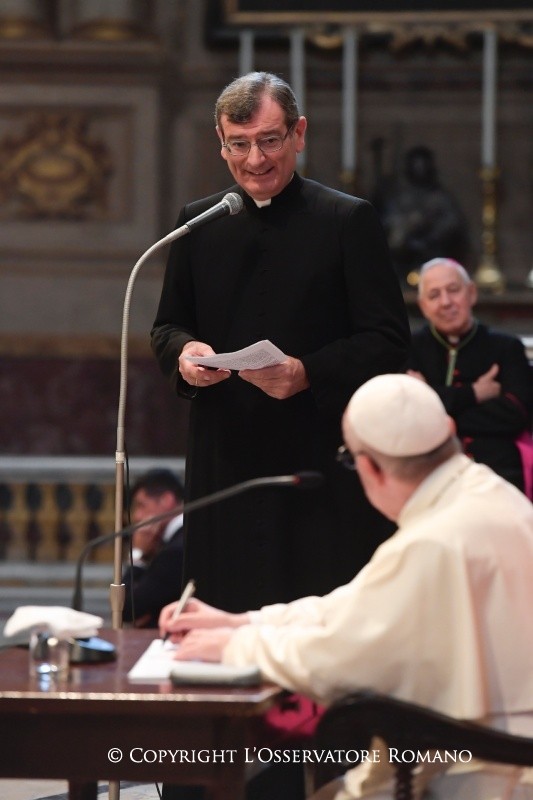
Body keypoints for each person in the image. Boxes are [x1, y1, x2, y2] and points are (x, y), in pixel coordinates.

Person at [160, 373, 533, 800]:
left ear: (370, 467)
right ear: (448, 431)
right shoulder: (487, 493)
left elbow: (334, 658)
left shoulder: (434, 539)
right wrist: (243, 621)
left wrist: (232, 649)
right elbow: (358, 606)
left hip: (479, 776)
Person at [151, 71, 411, 616]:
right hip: (226, 458)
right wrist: (186, 354)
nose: (255, 160)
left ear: (299, 133)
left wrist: (308, 370)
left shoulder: (347, 220)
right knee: (224, 614)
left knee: (318, 610)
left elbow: (388, 340)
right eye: (239, 144)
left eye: (270, 140)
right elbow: (167, 326)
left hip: (318, 459)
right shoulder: (197, 224)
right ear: (220, 144)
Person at [407, 257, 533, 494]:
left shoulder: (505, 347)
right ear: (423, 306)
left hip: (498, 470)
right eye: (434, 295)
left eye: (453, 290)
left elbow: (516, 414)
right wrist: (473, 394)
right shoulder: (411, 348)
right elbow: (411, 413)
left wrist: (439, 409)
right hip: (430, 471)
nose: (446, 302)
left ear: (471, 294)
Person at [376, 146, 470, 284]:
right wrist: (406, 226)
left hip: (431, 247)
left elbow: (452, 222)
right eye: (416, 166)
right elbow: (387, 221)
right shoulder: (400, 196)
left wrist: (429, 236)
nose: (420, 170)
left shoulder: (440, 197)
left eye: (423, 166)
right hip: (405, 251)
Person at [122, 468, 185, 628]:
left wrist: (137, 554)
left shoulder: (175, 551)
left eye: (142, 505)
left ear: (167, 500)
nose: (137, 516)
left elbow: (127, 608)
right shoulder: (175, 540)